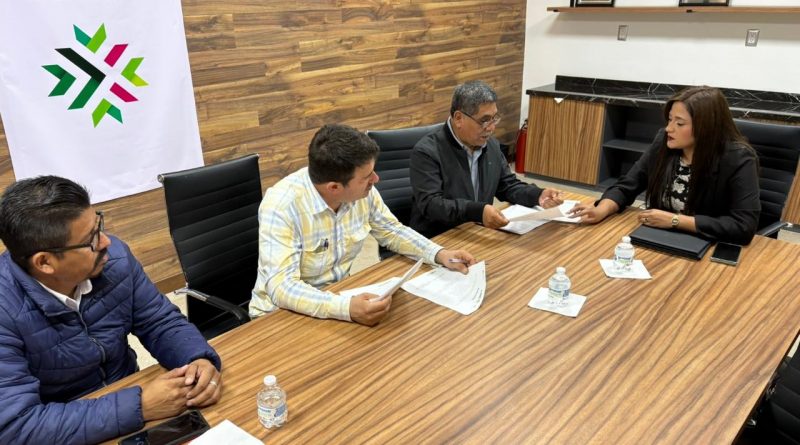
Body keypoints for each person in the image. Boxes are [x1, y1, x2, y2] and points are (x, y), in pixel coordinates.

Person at [0, 176, 223, 444]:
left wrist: (196, 359)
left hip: (133, 397)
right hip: (63, 427)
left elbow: (159, 321)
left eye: (99, 225)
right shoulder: (5, 308)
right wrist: (140, 406)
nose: (106, 241)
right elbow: (17, 426)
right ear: (45, 262)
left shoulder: (114, 258)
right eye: (91, 239)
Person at [249, 123, 476, 326]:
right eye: (367, 177)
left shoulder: (362, 192)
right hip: (278, 318)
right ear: (334, 188)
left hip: (337, 298)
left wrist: (438, 253)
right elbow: (282, 287)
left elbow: (391, 230)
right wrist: (345, 308)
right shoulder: (282, 206)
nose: (376, 179)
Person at [569, 86, 760, 245]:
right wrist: (601, 209)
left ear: (706, 128)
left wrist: (675, 221)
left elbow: (743, 227)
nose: (669, 128)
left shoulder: (738, 158)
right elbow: (628, 185)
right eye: (670, 119)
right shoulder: (664, 143)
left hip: (706, 243)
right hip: (657, 237)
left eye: (680, 123)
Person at [408, 80, 564, 238]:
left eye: (494, 118)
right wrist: (478, 211)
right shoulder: (427, 152)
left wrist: (537, 195)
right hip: (438, 238)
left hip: (476, 232)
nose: (491, 128)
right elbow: (431, 205)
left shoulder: (491, 146)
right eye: (484, 120)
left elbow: (507, 186)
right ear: (459, 118)